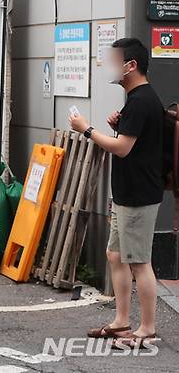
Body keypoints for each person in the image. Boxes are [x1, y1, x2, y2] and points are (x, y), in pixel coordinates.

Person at [70, 38, 164, 347]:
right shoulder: (136, 100)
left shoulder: (141, 100)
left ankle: (147, 328)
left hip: (139, 194)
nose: (109, 67)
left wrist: (87, 129)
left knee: (139, 262)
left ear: (131, 65)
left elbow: (123, 149)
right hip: (127, 192)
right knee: (116, 255)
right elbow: (133, 140)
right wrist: (118, 125)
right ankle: (122, 320)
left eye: (113, 61)